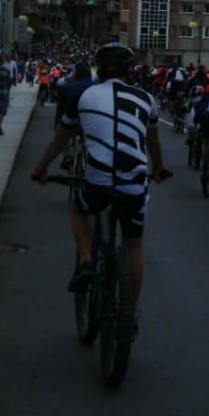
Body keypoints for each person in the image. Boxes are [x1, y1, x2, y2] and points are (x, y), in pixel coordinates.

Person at [31, 43, 168, 334]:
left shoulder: (85, 96)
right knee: (133, 245)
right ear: (130, 71)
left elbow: (61, 137)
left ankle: (85, 259)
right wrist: (158, 168)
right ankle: (129, 315)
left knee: (79, 207)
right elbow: (153, 142)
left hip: (99, 182)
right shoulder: (147, 99)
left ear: (99, 70)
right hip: (134, 184)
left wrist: (41, 167)